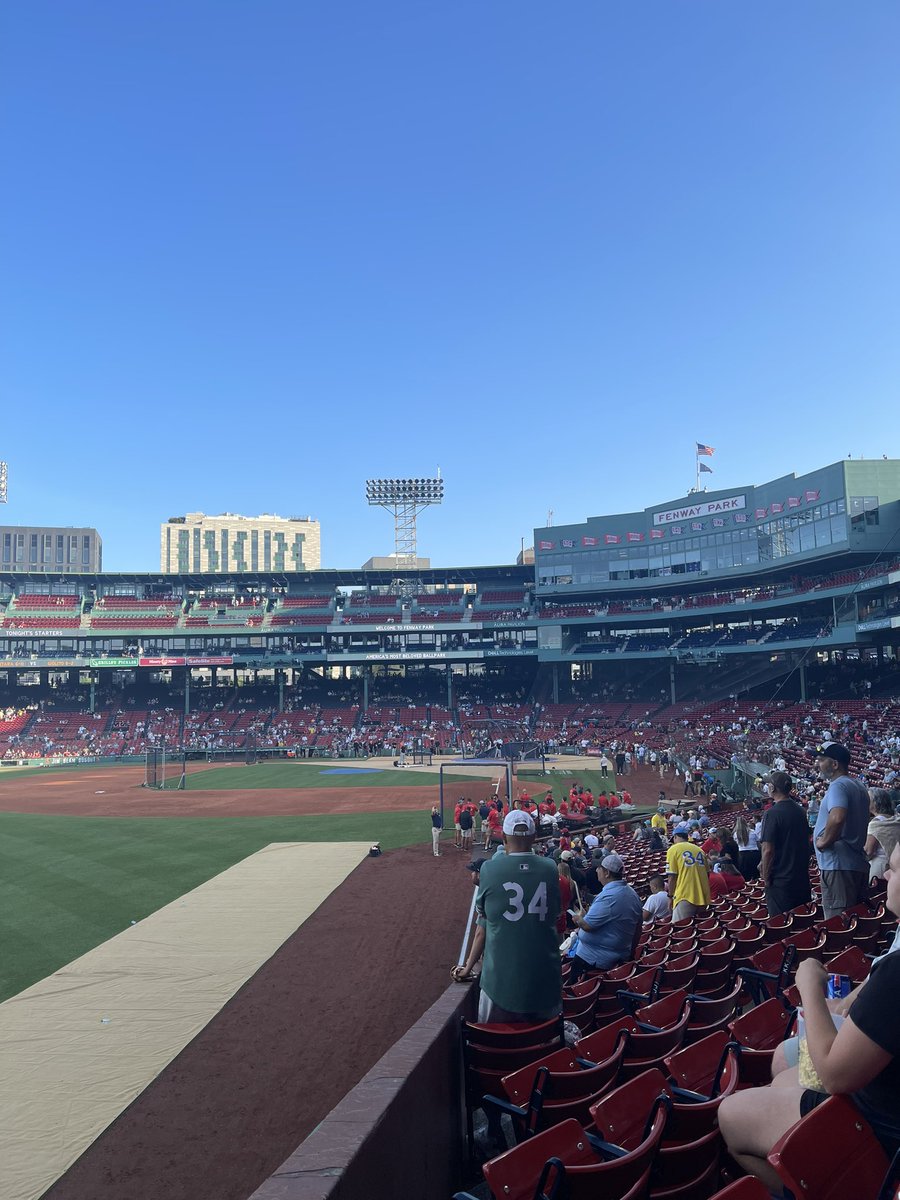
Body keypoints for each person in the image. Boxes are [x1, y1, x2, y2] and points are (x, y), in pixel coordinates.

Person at [718, 842, 900, 1190]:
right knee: (782, 1078)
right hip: (884, 1099)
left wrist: (809, 988)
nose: (887, 875)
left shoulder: (896, 974)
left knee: (729, 1114)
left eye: (894, 868)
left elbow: (834, 1076)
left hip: (879, 1132)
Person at [469, 810, 562, 1022]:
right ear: (534, 837)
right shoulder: (550, 868)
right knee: (546, 1037)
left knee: (491, 1036)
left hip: (499, 984)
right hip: (545, 980)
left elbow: (483, 919)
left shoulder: (489, 869)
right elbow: (555, 915)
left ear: (504, 837)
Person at [813, 743, 870, 919]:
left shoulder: (838, 785)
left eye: (821, 760)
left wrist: (823, 842)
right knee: (855, 921)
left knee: (839, 924)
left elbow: (837, 817)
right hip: (855, 864)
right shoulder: (858, 786)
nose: (817, 764)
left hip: (838, 867)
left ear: (835, 764)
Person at [567, 853, 643, 982]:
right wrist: (631, 952)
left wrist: (577, 919)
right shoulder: (632, 893)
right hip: (618, 954)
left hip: (594, 961)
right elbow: (638, 927)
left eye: (599, 868)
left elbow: (587, 926)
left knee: (571, 987)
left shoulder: (608, 897)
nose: (597, 870)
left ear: (607, 873)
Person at [759, 771, 812, 916]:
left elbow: (768, 850)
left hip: (781, 882)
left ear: (773, 788)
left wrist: (766, 878)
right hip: (801, 878)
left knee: (781, 924)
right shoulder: (800, 811)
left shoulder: (772, 813)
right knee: (802, 923)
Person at [451, 858, 489, 980]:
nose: (471, 874)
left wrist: (467, 969)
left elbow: (480, 934)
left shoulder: (486, 896)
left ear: (479, 875)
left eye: (474, 871)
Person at [665, 826, 711, 920]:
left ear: (675, 836)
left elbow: (672, 877)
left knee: (679, 927)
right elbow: (707, 874)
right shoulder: (699, 849)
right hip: (703, 895)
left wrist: (670, 896)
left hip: (685, 895)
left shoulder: (673, 849)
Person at [865, 787, 900, 882]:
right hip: (896, 865)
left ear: (876, 802)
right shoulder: (895, 818)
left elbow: (868, 851)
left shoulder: (876, 823)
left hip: (880, 867)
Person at [733, 815, 761, 880]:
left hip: (743, 856)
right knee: (756, 874)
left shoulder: (735, 834)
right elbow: (758, 844)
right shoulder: (753, 832)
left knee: (746, 876)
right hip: (754, 854)